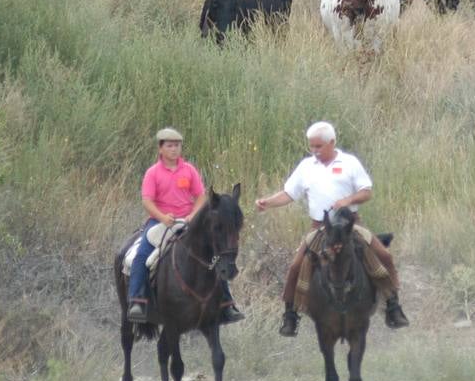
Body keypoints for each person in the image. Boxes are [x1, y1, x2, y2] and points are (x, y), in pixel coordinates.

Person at [255, 121, 409, 337]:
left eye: (319, 146)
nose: (314, 151)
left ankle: (393, 306)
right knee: (295, 266)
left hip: (351, 225)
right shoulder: (306, 167)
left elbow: (366, 191)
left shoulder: (349, 163)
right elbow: (289, 193)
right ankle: (291, 314)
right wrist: (268, 202)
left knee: (383, 256)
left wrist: (348, 200)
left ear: (332, 142)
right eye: (312, 146)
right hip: (320, 228)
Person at [126, 127, 244, 325]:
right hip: (160, 222)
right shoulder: (152, 173)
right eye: (170, 146)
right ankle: (137, 301)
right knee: (141, 256)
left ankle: (226, 303)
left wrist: (192, 215)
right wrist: (163, 217)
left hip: (189, 221)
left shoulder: (189, 170)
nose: (174, 149)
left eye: (177, 145)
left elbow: (200, 197)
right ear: (161, 148)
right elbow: (147, 201)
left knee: (215, 254)